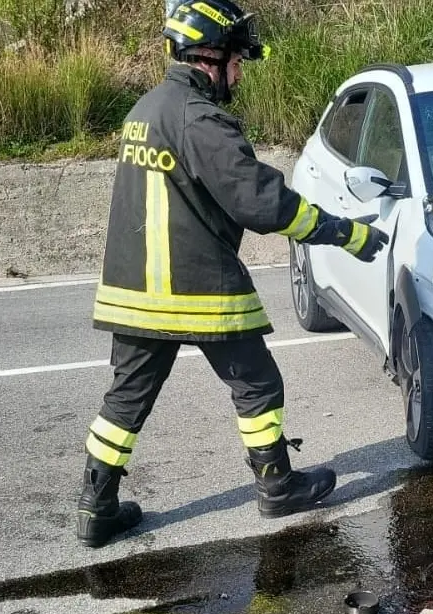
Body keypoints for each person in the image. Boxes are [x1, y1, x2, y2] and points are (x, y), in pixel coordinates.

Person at [74, 0, 389, 548]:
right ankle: (277, 486)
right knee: (258, 383)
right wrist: (348, 234)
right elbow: (261, 203)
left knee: (125, 399)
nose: (240, 74)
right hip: (195, 285)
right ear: (210, 56)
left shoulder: (143, 112)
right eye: (237, 61)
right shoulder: (203, 120)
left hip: (133, 291)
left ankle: (95, 507)